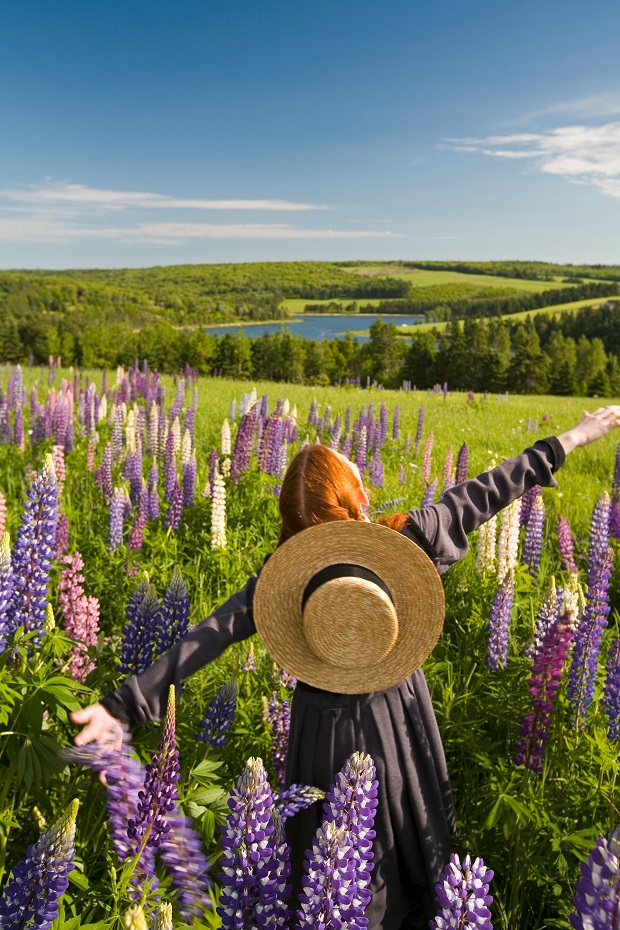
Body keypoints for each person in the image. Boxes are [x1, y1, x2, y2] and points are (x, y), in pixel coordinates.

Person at [71, 405, 620, 930]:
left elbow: (210, 634)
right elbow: (486, 491)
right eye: (351, 469)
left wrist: (122, 706)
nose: (360, 469)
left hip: (319, 731)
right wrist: (570, 439)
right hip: (396, 717)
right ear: (354, 496)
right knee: (392, 839)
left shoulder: (284, 578)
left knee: (331, 867)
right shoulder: (404, 538)